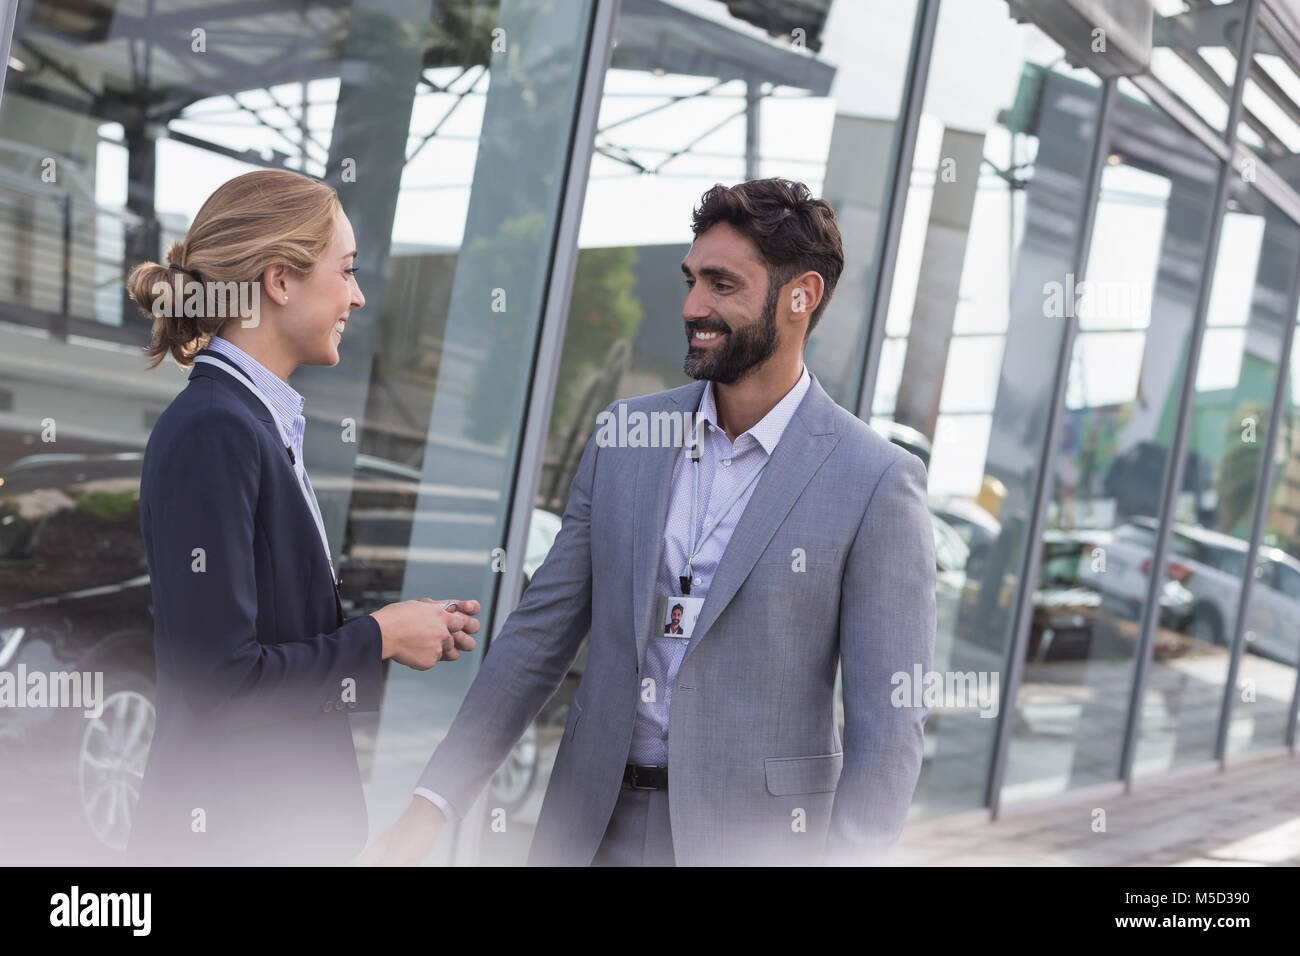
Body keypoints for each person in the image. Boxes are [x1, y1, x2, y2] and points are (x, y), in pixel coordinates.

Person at [365, 178, 935, 866]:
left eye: (722, 285)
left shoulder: (875, 481)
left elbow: (889, 728)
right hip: (587, 829)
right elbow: (537, 638)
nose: (694, 305)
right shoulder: (625, 437)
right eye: (692, 279)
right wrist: (433, 806)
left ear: (801, 296)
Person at [125, 169, 479, 865]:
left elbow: (267, 645)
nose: (358, 295)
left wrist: (403, 632)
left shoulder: (252, 422)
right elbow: (223, 683)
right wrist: (378, 636)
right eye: (345, 272)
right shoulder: (215, 429)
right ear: (279, 281)